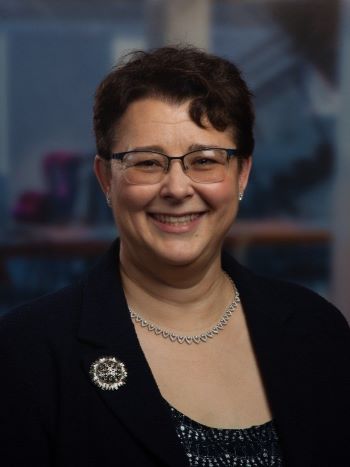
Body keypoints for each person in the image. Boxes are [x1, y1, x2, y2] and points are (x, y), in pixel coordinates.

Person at [0, 46, 349, 467]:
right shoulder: (26, 353)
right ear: (106, 179)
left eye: (204, 161)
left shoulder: (317, 329)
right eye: (147, 163)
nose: (178, 188)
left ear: (242, 174)